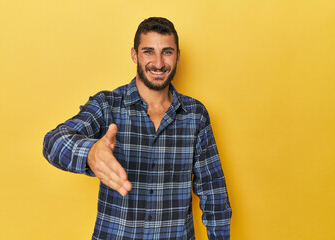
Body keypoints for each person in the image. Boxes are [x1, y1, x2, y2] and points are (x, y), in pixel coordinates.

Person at [43, 17, 232, 240]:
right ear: (134, 55)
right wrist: (90, 152)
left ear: (178, 56)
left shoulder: (195, 115)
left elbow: (213, 191)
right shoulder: (107, 105)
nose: (159, 63)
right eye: (148, 51)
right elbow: (53, 141)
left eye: (167, 52)